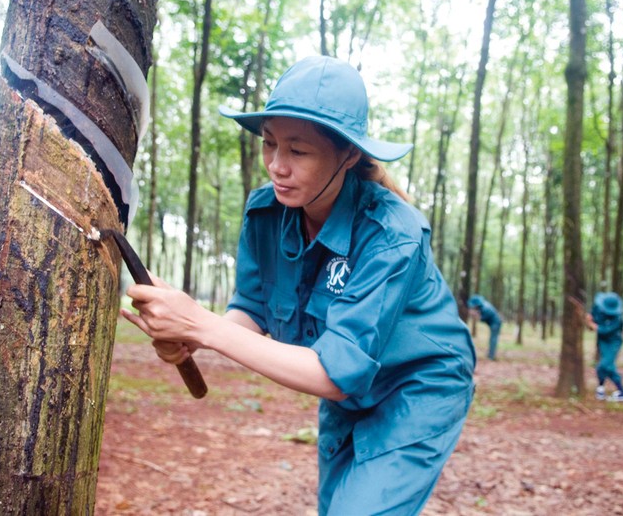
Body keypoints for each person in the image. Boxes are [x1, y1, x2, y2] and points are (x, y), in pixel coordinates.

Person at [121, 56, 476, 515]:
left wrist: (205, 326)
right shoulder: (265, 213)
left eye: (298, 151)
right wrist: (190, 335)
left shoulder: (391, 233)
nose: (277, 166)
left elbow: (334, 373)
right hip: (349, 395)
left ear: (348, 154)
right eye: (269, 144)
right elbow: (251, 309)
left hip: (418, 385)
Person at [586, 290, 623, 402]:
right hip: (602, 341)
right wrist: (589, 320)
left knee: (606, 365)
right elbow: (592, 320)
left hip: (614, 342)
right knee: (605, 366)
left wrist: (592, 324)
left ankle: (622, 392)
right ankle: (600, 389)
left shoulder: (617, 318)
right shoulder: (597, 307)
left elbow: (604, 330)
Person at [466, 295, 502, 361]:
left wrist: (475, 315)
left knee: (493, 339)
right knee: (492, 338)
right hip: (493, 323)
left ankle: (491, 356)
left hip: (496, 323)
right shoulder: (482, 306)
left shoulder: (485, 308)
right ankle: (490, 354)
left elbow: (481, 319)